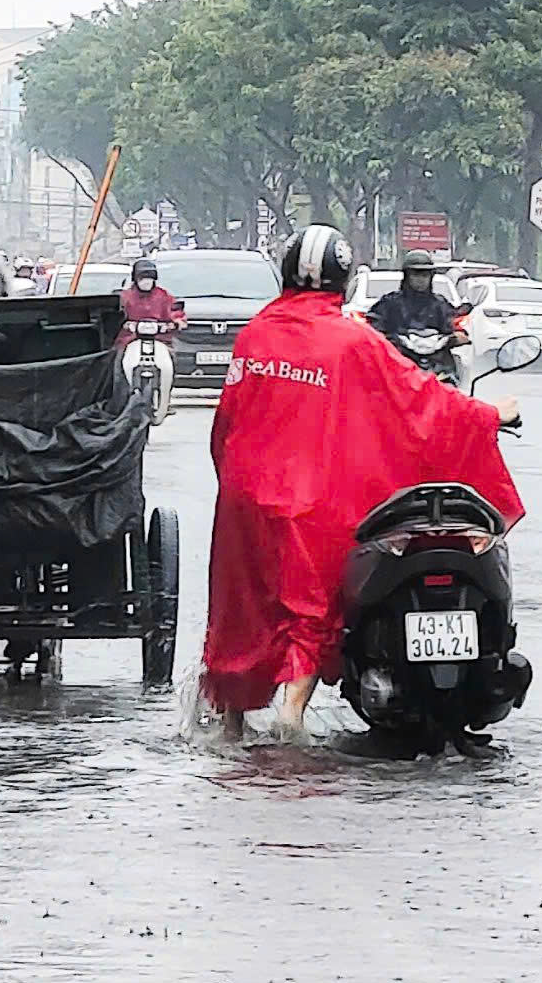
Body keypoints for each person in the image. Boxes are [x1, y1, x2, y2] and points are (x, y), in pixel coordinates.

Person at [201, 225, 523, 741]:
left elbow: (227, 423)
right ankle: (291, 718)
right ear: (343, 281)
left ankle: (231, 725)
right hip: (309, 502)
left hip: (244, 494)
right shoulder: (353, 340)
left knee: (243, 609)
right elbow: (421, 401)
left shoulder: (255, 334)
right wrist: (486, 415)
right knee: (308, 607)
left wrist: (235, 481)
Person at [366, 249, 461, 344]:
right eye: (416, 275)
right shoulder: (390, 302)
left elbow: (453, 323)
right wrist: (382, 336)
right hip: (398, 353)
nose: (421, 280)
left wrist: (458, 335)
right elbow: (374, 321)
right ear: (407, 277)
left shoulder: (440, 304)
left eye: (425, 276)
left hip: (436, 354)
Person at [116, 256, 181, 348]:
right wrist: (124, 324)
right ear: (136, 280)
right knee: (117, 355)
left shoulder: (164, 296)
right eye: (142, 279)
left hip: (161, 340)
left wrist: (174, 323)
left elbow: (176, 312)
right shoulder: (125, 297)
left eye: (149, 279)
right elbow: (117, 316)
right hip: (130, 340)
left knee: (171, 356)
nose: (146, 283)